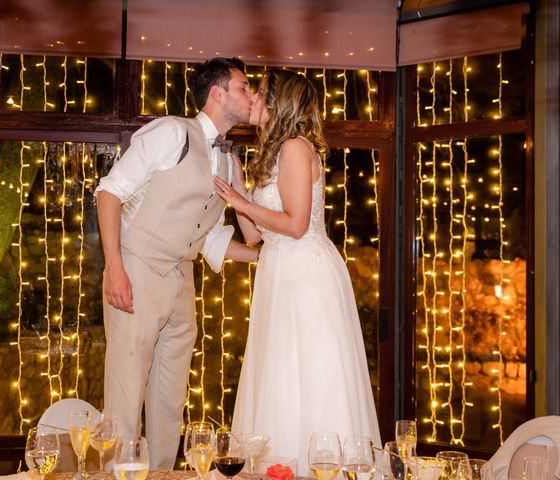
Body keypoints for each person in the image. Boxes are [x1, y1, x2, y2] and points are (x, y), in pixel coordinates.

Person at [214, 69, 382, 475]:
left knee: (310, 371)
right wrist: (239, 191)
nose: (252, 98)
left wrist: (245, 199)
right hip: (278, 272)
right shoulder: (271, 153)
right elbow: (255, 234)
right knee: (279, 376)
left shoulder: (295, 146)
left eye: (260, 92)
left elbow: (295, 224)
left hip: (307, 277)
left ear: (279, 103)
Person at [95, 57, 259, 470]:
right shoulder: (171, 132)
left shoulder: (228, 159)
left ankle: (163, 475)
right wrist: (116, 268)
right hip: (138, 268)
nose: (251, 94)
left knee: (170, 399)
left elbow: (210, 237)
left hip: (183, 279)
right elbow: (109, 192)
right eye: (244, 86)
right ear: (217, 93)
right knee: (126, 394)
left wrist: (268, 258)